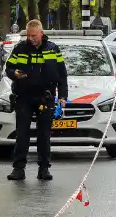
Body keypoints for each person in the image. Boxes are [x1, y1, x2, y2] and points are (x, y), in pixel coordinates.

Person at [4, 20, 68, 181]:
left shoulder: (52, 49)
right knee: (22, 134)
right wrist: (15, 74)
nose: (31, 38)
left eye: (34, 35)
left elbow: (62, 75)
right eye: (28, 35)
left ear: (41, 33)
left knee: (44, 135)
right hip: (24, 96)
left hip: (45, 96)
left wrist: (62, 97)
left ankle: (44, 168)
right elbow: (9, 68)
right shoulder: (20, 48)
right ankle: (18, 169)